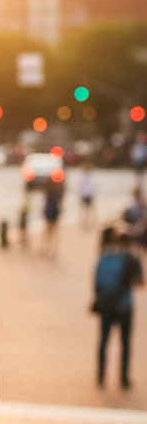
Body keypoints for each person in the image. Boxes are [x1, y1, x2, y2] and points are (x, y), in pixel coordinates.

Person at [93, 227, 143, 390]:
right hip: (124, 306)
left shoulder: (105, 254)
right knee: (125, 343)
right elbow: (140, 282)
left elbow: (96, 280)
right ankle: (123, 379)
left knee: (103, 341)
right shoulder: (132, 259)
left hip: (105, 305)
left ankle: (100, 376)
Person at [41, 179, 64, 257]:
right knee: (50, 230)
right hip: (52, 211)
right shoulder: (56, 191)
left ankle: (49, 248)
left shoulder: (54, 191)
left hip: (52, 211)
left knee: (50, 230)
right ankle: (49, 248)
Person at [79, 163, 96, 228]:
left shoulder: (89, 176)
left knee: (89, 208)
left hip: (88, 194)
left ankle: (90, 219)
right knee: (85, 208)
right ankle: (86, 219)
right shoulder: (85, 176)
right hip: (85, 194)